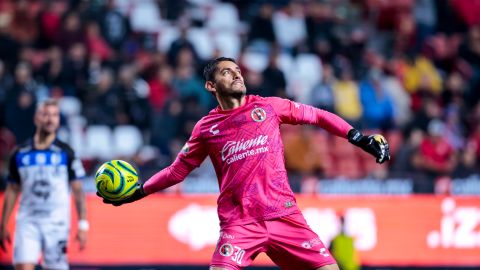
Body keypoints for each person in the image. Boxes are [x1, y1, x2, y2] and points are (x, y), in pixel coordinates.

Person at [102, 57, 390, 270]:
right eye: (227, 72)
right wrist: (141, 192)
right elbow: (177, 170)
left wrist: (358, 138)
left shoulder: (268, 106)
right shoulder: (206, 128)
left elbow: (317, 115)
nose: (237, 75)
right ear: (211, 85)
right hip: (240, 223)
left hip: (284, 216)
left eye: (238, 70)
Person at [0, 99, 88, 270]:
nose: (50, 119)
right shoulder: (20, 153)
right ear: (36, 118)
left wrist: (83, 225)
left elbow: (78, 192)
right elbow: (12, 189)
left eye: (54, 115)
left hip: (57, 223)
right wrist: (3, 224)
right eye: (45, 114)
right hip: (28, 222)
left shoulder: (66, 153)